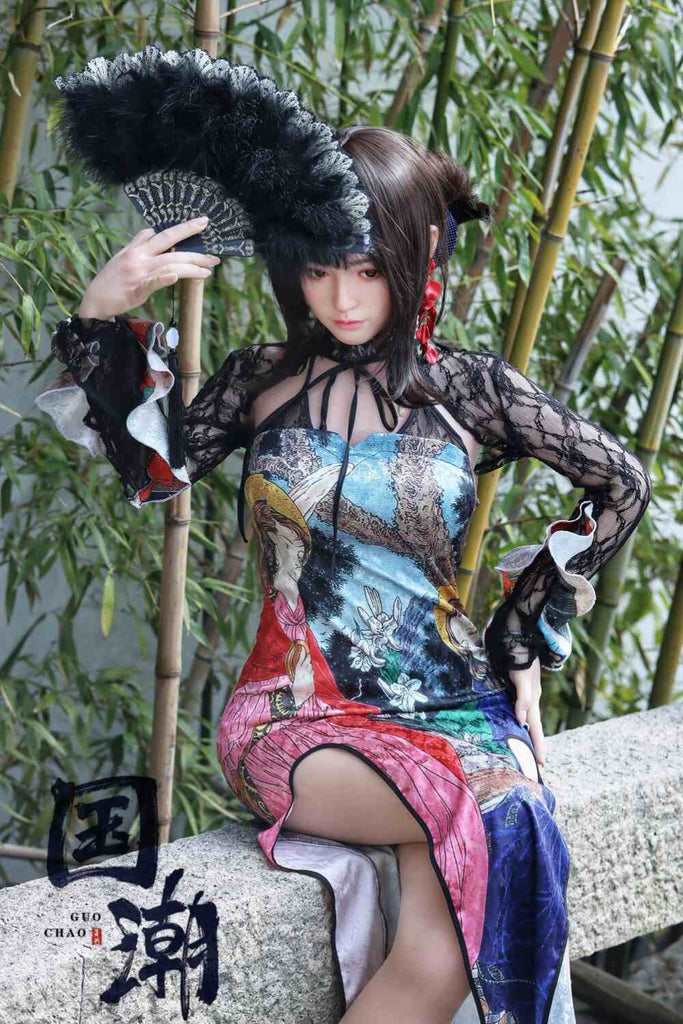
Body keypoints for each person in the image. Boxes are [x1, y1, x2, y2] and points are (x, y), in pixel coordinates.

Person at [36, 125, 652, 1024]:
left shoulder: (471, 390)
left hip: (451, 712)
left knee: (451, 926)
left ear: (418, 253)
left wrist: (523, 632)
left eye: (366, 269)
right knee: (499, 812)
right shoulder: (261, 380)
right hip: (294, 719)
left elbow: (621, 483)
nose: (341, 297)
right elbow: (151, 471)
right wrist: (103, 311)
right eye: (318, 271)